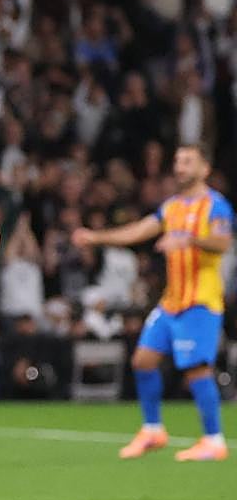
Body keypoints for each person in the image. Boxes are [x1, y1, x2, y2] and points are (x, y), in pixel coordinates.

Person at [72, 144, 232, 461]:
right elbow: (138, 231)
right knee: (143, 360)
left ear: (204, 169)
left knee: (196, 369)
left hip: (200, 302)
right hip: (171, 302)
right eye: (178, 161)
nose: (180, 167)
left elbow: (223, 242)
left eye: (188, 161)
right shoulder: (171, 207)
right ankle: (153, 430)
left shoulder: (216, 205)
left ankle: (214, 440)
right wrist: (96, 237)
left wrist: (188, 239)